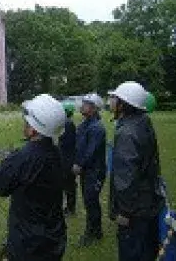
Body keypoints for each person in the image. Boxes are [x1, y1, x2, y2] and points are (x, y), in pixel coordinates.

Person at [0, 94, 67, 261]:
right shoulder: (56, 152)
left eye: (27, 121)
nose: (24, 124)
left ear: (34, 129)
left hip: (28, 241)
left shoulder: (25, 156)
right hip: (53, 236)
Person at [109, 81, 164, 261]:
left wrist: (124, 212)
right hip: (148, 202)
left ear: (123, 104)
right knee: (147, 251)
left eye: (114, 98)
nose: (111, 102)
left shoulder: (126, 133)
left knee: (132, 252)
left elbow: (126, 177)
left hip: (134, 210)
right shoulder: (143, 121)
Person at [73, 93, 106, 247]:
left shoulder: (96, 128)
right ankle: (97, 230)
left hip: (95, 171)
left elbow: (90, 151)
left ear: (93, 109)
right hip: (87, 171)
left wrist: (79, 165)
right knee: (89, 201)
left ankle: (91, 232)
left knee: (91, 201)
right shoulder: (84, 124)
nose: (82, 105)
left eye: (86, 104)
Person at [58, 102, 77, 216]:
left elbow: (65, 143)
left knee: (69, 184)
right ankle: (69, 207)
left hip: (67, 158)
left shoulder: (67, 124)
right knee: (67, 184)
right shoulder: (67, 123)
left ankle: (70, 208)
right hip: (66, 157)